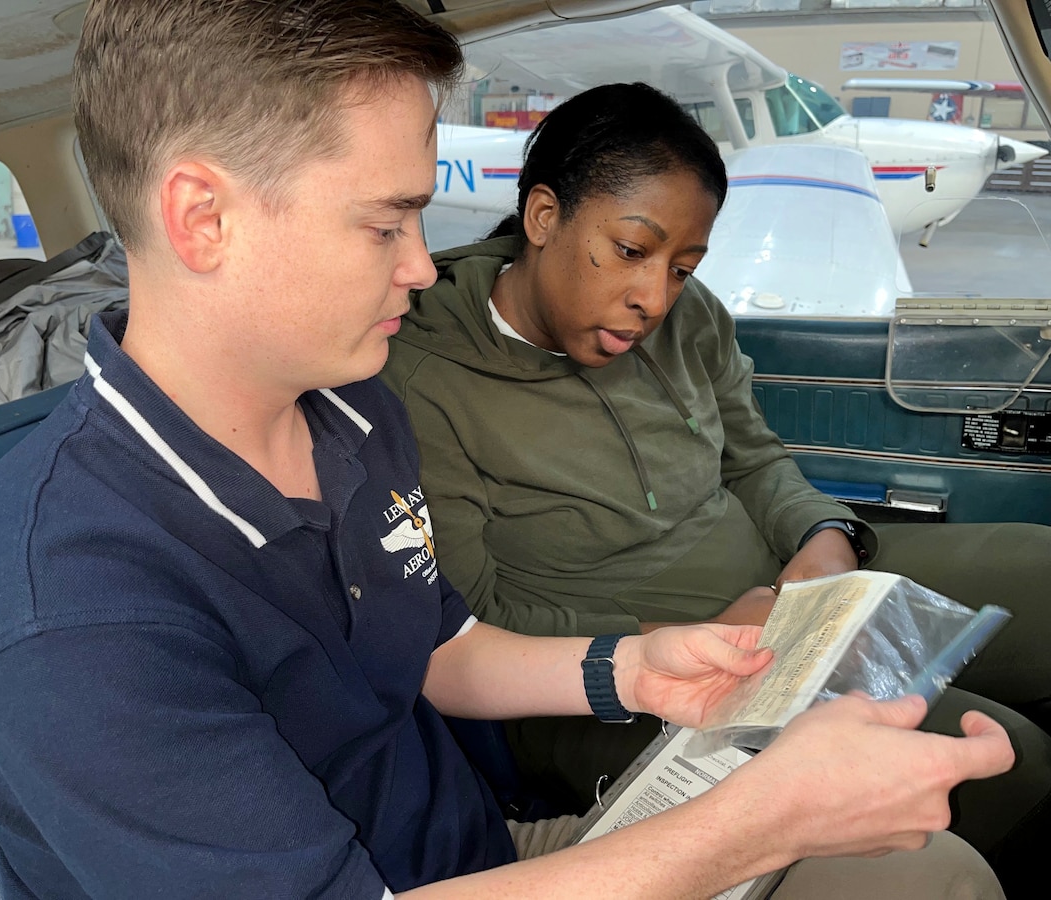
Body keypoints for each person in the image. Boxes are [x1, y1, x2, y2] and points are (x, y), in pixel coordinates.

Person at [0, 5, 1013, 898]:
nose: (422, 265)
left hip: (485, 849)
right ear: (203, 219)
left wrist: (634, 670)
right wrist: (753, 822)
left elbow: (441, 649)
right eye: (385, 223)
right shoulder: (70, 610)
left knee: (929, 866)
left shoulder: (349, 413)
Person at [381, 81, 1051, 886]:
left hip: (782, 597)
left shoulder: (688, 316)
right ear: (544, 218)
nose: (654, 299)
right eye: (632, 252)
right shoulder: (421, 381)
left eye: (684, 266)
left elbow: (757, 458)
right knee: (1009, 766)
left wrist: (821, 539)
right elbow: (474, 620)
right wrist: (673, 638)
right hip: (621, 679)